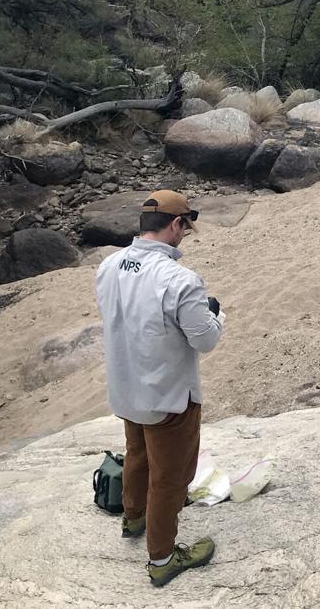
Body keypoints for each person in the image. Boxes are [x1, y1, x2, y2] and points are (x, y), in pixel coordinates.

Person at [95, 190, 224, 587]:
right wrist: (218, 317)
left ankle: (133, 519)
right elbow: (203, 340)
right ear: (176, 224)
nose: (185, 234)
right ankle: (164, 558)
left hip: (125, 386)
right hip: (167, 394)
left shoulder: (108, 265)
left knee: (136, 453)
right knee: (169, 478)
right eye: (186, 226)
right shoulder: (180, 279)